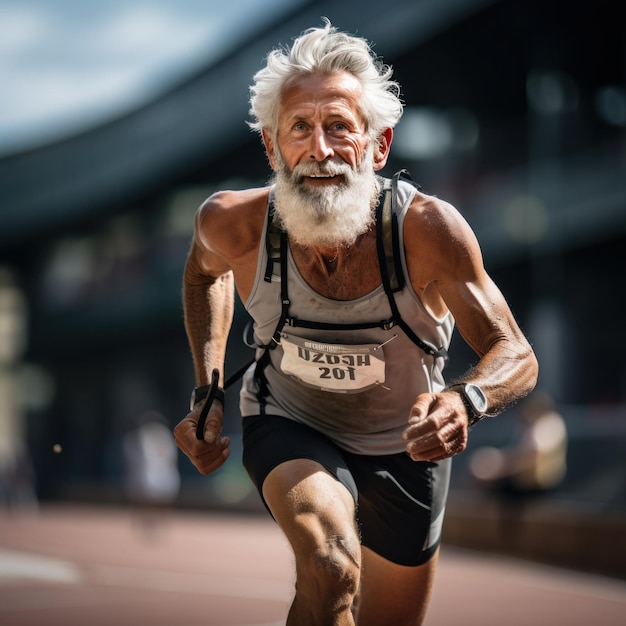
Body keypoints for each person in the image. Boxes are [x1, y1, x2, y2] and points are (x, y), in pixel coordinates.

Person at [174, 20, 538, 626]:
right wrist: (208, 389)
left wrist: (465, 399)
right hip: (289, 422)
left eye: (340, 126)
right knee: (331, 566)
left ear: (378, 145)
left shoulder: (427, 231)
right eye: (300, 128)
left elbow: (516, 353)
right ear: (272, 147)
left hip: (407, 447)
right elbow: (202, 275)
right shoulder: (232, 223)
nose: (319, 149)